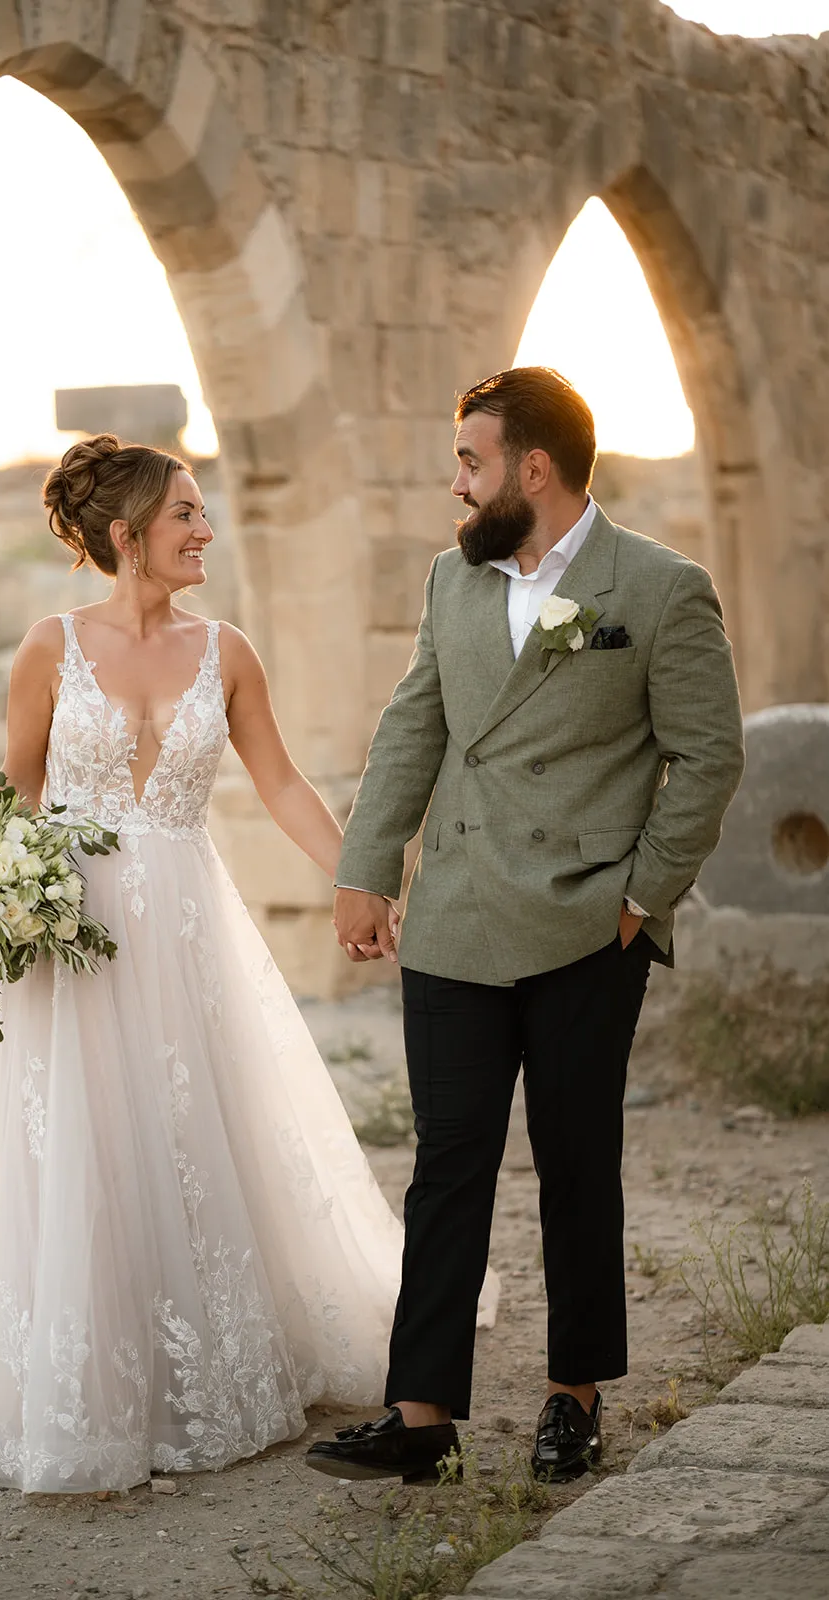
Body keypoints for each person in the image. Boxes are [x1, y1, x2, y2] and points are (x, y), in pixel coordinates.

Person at [0, 434, 498, 1494]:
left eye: (203, 512)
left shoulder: (227, 650)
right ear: (127, 535)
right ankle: (105, 1383)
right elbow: (12, 797)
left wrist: (362, 876)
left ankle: (211, 1358)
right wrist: (0, 899)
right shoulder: (45, 648)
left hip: (188, 934)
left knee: (198, 1133)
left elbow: (285, 784)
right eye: (185, 515)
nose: (206, 530)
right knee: (89, 1148)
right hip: (68, 936)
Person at [306, 367, 744, 1486]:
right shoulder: (450, 583)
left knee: (574, 1160)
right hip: (453, 914)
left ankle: (572, 1395)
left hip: (581, 925)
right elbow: (414, 724)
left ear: (530, 470)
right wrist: (365, 865)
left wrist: (641, 898)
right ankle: (418, 1417)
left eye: (469, 461)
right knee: (446, 1164)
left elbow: (707, 754)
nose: (453, 482)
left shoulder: (655, 586)